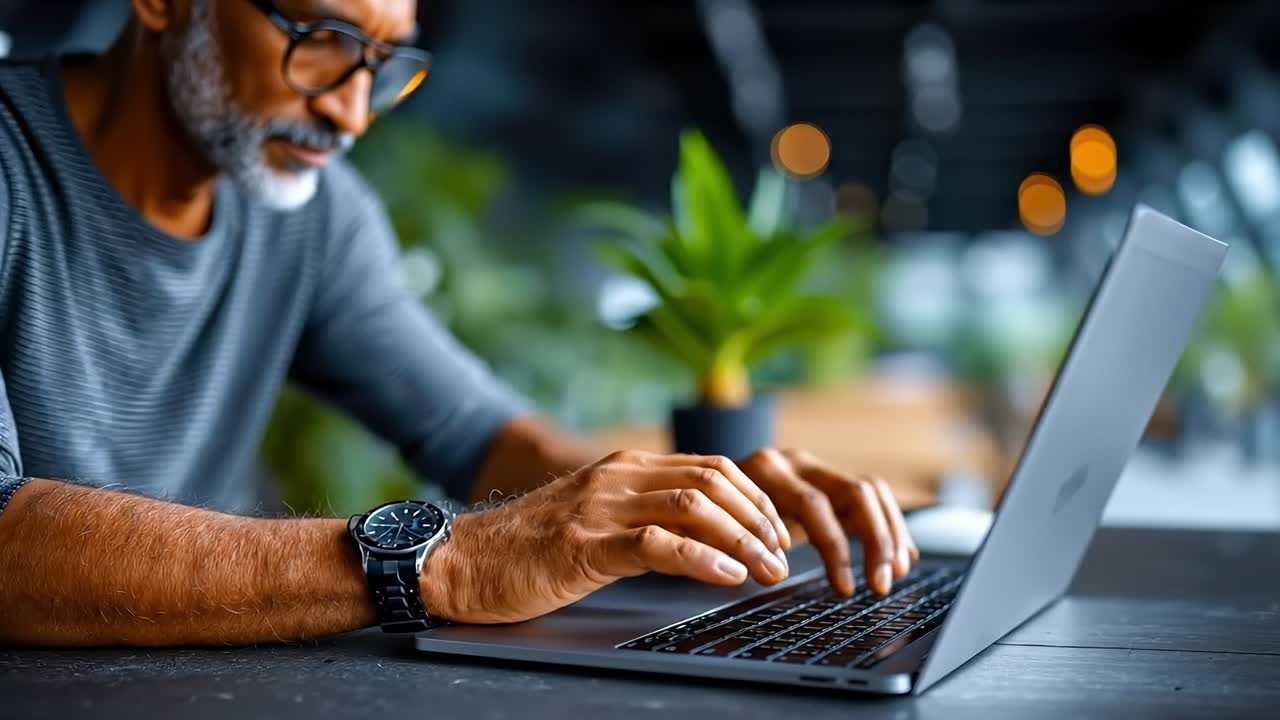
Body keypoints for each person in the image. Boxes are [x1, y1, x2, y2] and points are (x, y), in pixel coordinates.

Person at [0, 0, 917, 647]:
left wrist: (679, 506)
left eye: (384, 59)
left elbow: (477, 433)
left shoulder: (313, 218)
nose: (351, 109)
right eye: (321, 38)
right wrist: (443, 562)